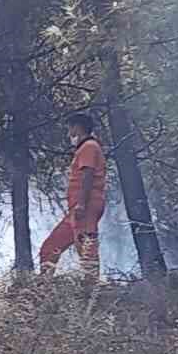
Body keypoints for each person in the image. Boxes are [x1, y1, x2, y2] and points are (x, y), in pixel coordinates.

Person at [39, 112, 108, 280]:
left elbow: (88, 175)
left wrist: (82, 204)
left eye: (70, 128)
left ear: (77, 127)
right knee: (50, 247)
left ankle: (92, 291)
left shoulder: (89, 147)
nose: (68, 133)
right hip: (76, 210)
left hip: (85, 207)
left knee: (86, 247)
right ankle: (43, 288)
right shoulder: (85, 148)